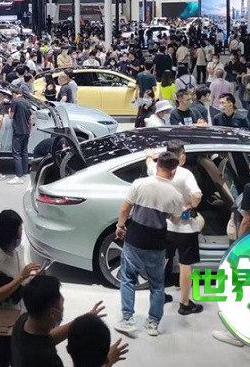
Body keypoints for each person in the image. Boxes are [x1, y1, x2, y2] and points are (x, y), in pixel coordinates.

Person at [114, 152, 183, 338]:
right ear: (174, 171)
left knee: (128, 279)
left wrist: (120, 226)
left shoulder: (140, 184)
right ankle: (153, 323)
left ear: (157, 165)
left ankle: (127, 320)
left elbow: (125, 209)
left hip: (135, 239)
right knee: (157, 285)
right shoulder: (176, 195)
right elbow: (176, 221)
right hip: (157, 243)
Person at [145, 143, 203, 315]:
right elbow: (197, 195)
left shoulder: (157, 169)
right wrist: (188, 206)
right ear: (182, 156)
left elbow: (149, 163)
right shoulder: (185, 174)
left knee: (162, 260)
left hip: (163, 226)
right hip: (185, 229)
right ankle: (185, 304)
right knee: (185, 265)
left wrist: (149, 155)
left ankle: (158, 295)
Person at [0, 210, 39, 367]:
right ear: (7, 235)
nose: (20, 238)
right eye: (18, 234)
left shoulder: (18, 250)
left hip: (22, 319)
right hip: (2, 326)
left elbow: (21, 280)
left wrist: (32, 277)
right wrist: (21, 277)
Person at [11, 275, 105, 367]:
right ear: (53, 313)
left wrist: (82, 321)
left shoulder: (23, 322)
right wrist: (108, 359)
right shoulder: (48, 361)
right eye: (60, 298)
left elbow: (45, 339)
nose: (63, 299)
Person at [7, 85, 34, 186]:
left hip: (18, 130)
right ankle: (24, 173)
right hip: (26, 130)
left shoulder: (15, 102)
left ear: (14, 94)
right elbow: (30, 118)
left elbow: (11, 116)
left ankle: (19, 176)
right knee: (24, 152)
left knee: (17, 153)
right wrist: (30, 131)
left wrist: (9, 111)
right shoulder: (27, 102)